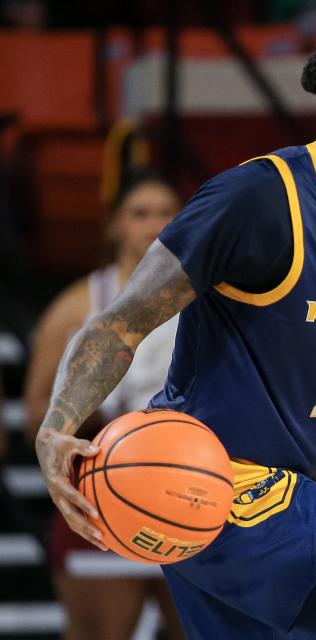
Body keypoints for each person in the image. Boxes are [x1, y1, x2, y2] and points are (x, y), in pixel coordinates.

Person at [33, 14, 316, 639]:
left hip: (250, 498)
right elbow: (118, 325)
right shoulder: (258, 199)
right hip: (210, 480)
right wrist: (56, 426)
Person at [23, 172, 183, 640]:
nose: (154, 225)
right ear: (115, 225)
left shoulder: (209, 297)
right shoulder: (77, 305)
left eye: (165, 212)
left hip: (186, 482)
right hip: (100, 487)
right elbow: (37, 411)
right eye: (140, 213)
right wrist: (94, 421)